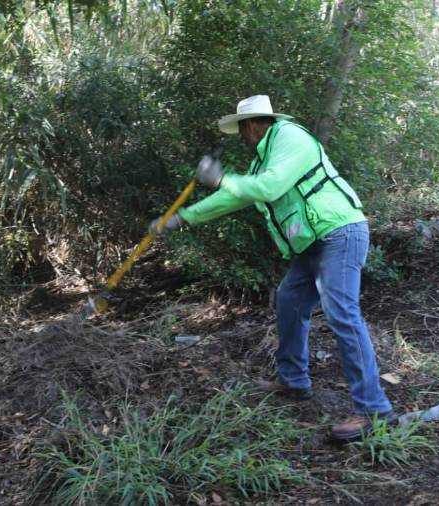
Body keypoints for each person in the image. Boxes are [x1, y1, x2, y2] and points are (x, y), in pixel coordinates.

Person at [150, 95, 394, 441]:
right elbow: (235, 196)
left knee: (341, 311)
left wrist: (220, 177)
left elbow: (268, 187)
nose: (242, 136)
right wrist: (182, 218)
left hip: (339, 232)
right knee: (289, 301)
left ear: (251, 125)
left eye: (241, 129)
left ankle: (374, 409)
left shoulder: (290, 137)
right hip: (313, 243)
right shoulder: (264, 159)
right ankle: (293, 381)